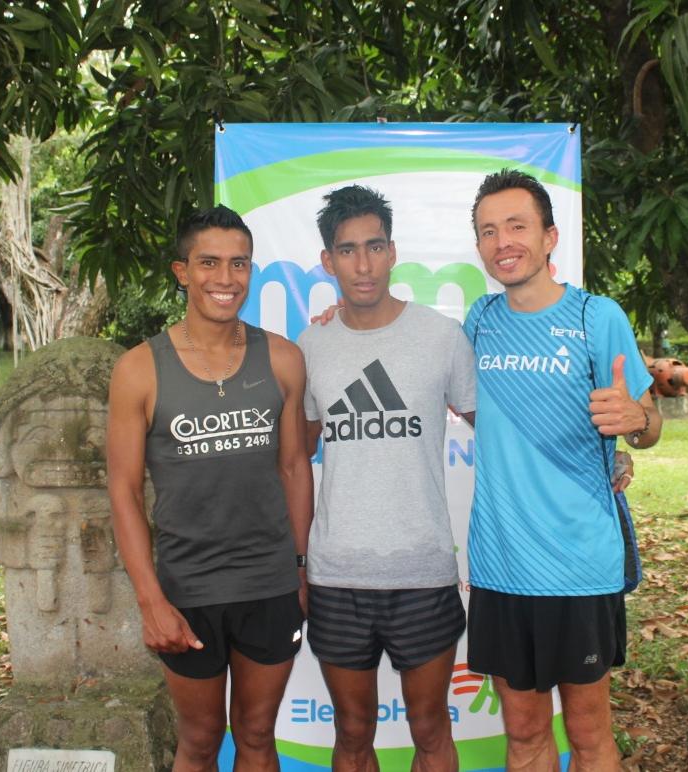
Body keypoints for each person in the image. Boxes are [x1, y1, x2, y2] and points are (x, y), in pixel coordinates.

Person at [463, 169, 662, 772]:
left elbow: (648, 427)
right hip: (500, 562)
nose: (504, 242)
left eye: (517, 225)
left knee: (590, 733)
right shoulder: (480, 320)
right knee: (522, 734)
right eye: (488, 231)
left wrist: (635, 420)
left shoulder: (596, 318)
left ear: (550, 237)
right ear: (479, 247)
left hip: (579, 564)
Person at [106, 206, 312, 772]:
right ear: (182, 270)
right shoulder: (139, 369)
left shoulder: (284, 359)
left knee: (256, 736)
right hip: (186, 588)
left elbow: (295, 468)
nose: (226, 278)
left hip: (268, 583)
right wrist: (151, 600)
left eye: (238, 263)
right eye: (209, 263)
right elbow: (122, 492)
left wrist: (298, 566)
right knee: (198, 743)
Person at [298, 185, 477, 772]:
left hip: (422, 570)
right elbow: (295, 461)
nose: (363, 264)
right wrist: (296, 561)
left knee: (430, 728)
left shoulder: (441, 338)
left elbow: (500, 432)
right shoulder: (311, 345)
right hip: (337, 576)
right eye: (347, 251)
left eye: (374, 247)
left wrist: (600, 453)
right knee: (352, 733)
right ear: (328, 261)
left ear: (393, 251)